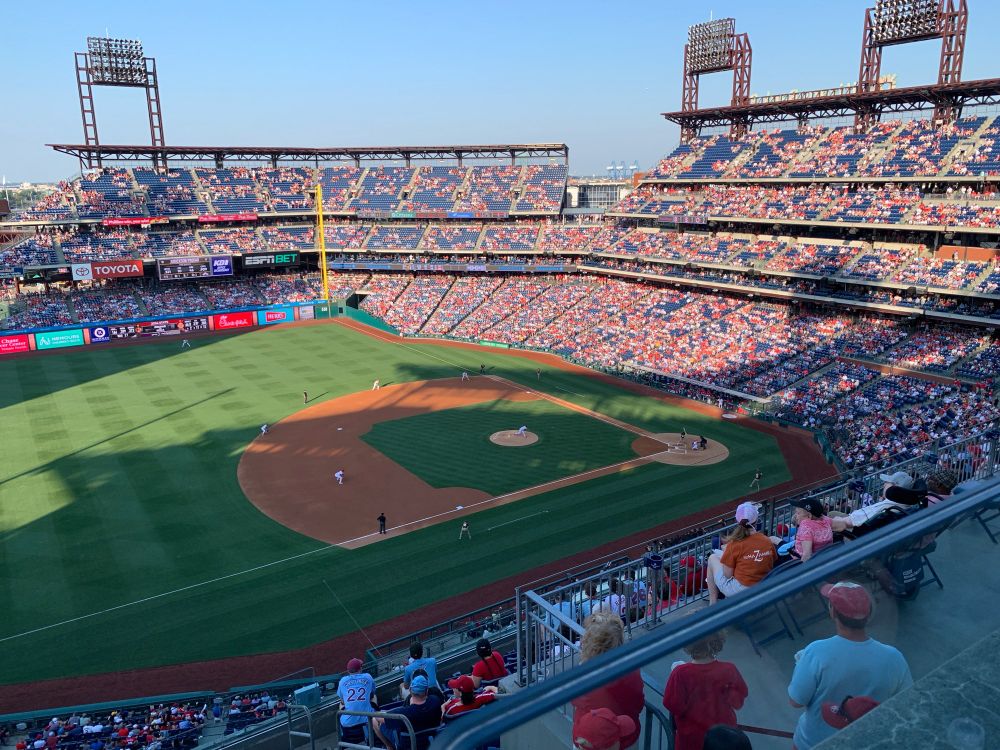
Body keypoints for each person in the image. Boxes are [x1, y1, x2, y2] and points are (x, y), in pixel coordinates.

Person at [788, 581, 912, 750]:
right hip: (865, 742)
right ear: (868, 614)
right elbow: (907, 703)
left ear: (832, 612)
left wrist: (800, 663)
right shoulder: (894, 658)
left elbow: (796, 701)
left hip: (812, 744)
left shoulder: (816, 652)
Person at [662, 632, 747, 750]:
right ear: (717, 640)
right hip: (724, 738)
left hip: (692, 738)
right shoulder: (729, 669)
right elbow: (738, 702)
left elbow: (673, 705)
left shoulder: (680, 673)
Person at [571, 611, 644, 749]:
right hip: (624, 739)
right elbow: (638, 704)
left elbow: (575, 701)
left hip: (587, 740)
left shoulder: (582, 673)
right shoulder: (630, 671)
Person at [705, 502, 775, 605]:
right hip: (763, 584)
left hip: (741, 590)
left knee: (712, 558)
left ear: (738, 521)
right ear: (756, 521)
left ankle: (713, 604)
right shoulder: (767, 541)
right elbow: (770, 562)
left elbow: (727, 575)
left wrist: (727, 556)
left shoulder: (734, 545)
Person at [373, 675, 441, 750]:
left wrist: (383, 712)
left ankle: (390, 747)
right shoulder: (435, 701)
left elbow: (378, 717)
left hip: (409, 746)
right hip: (432, 742)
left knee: (374, 720)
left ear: (410, 691)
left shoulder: (404, 714)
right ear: (427, 690)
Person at [337, 658, 376, 745]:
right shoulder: (368, 677)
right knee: (374, 697)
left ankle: (342, 738)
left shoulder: (342, 680)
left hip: (348, 724)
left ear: (348, 671)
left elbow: (342, 701)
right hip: (368, 720)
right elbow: (372, 694)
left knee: (341, 703)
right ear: (360, 668)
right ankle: (375, 734)